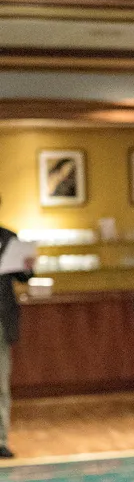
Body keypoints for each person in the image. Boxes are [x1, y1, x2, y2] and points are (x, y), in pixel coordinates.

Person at [0, 197, 33, 459]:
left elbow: (23, 276)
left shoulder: (9, 238)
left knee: (1, 382)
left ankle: (0, 439)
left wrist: (28, 266)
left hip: (2, 318)